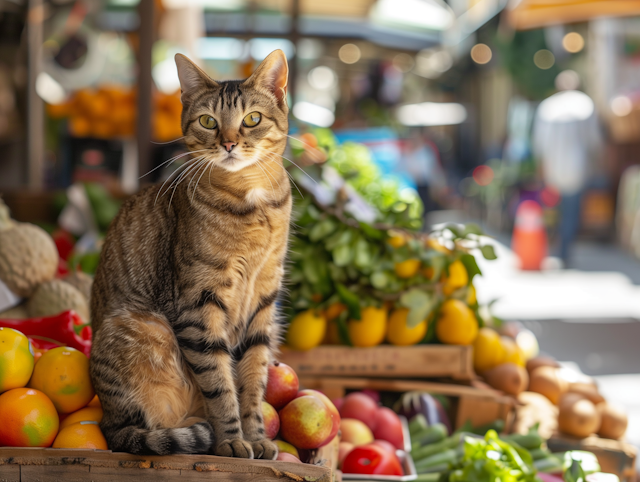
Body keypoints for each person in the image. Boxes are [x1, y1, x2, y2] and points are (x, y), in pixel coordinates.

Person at [532, 72, 602, 265]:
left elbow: (539, 143)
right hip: (576, 168)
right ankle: (563, 250)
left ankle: (553, 248)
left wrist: (541, 169)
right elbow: (593, 140)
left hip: (553, 168)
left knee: (554, 211)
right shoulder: (585, 105)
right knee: (570, 212)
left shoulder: (548, 107)